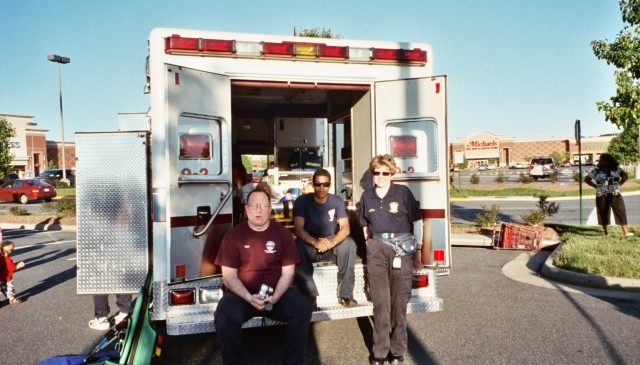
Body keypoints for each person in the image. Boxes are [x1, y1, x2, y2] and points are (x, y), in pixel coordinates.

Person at [214, 189, 312, 365]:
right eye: (253, 205)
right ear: (246, 209)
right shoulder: (233, 237)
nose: (258, 210)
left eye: (264, 206)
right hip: (243, 295)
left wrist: (274, 298)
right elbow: (229, 276)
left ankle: (293, 362)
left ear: (270, 209)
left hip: (275, 294)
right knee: (224, 313)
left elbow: (288, 272)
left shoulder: (283, 234)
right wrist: (248, 297)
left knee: (302, 307)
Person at [358, 154, 424, 365]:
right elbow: (364, 225)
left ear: (392, 173)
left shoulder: (403, 193)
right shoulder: (367, 196)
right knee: (381, 303)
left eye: (385, 172)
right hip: (377, 249)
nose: (381, 176)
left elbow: (417, 221)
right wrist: (370, 243)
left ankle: (397, 351)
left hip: (402, 250)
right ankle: (379, 352)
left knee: (398, 303)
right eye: (376, 172)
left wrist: (419, 248)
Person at [293, 168, 358, 308]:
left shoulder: (337, 200)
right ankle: (309, 295)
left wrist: (332, 241)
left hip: (330, 245)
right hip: (310, 246)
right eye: (318, 184)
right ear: (313, 185)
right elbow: (298, 228)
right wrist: (315, 242)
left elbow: (345, 227)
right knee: (296, 246)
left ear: (330, 185)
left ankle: (345, 294)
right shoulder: (302, 201)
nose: (321, 187)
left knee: (349, 244)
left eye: (325, 184)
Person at [584, 153, 634, 237]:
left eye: (602, 159)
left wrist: (619, 185)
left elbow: (625, 176)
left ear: (608, 160)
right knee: (603, 213)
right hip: (601, 195)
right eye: (600, 159)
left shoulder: (616, 169)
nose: (600, 161)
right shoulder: (596, 170)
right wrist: (596, 186)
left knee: (621, 212)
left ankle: (626, 232)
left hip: (615, 194)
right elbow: (587, 179)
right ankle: (606, 233)